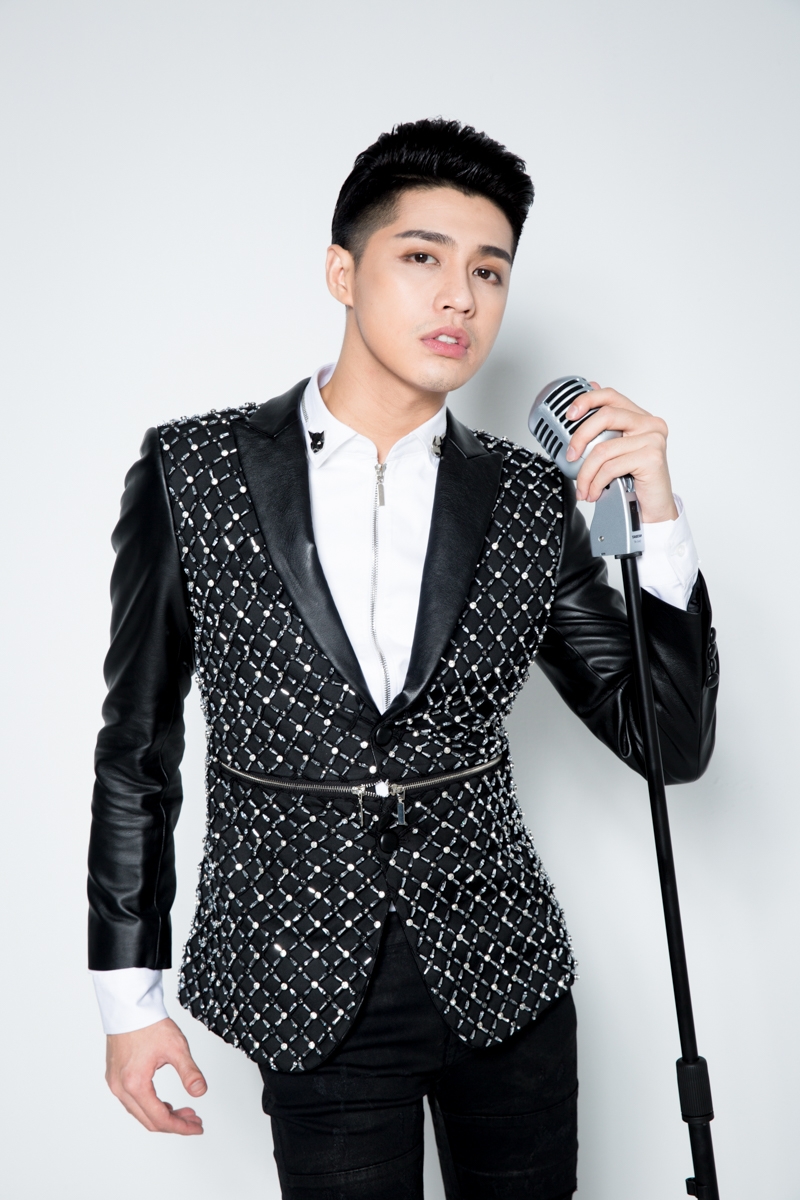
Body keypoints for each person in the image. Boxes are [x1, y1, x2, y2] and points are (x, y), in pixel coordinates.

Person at [88, 118, 718, 1199]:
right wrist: (128, 1000)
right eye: (422, 256)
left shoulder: (529, 499)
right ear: (343, 272)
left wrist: (656, 519)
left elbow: (668, 742)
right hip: (298, 976)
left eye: (488, 271)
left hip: (505, 976)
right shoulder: (192, 470)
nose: (458, 298)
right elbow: (135, 751)